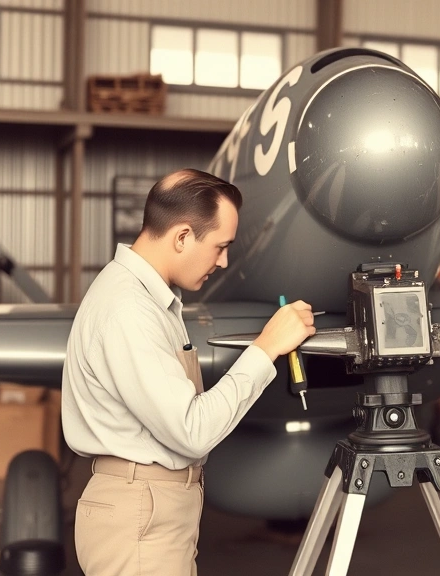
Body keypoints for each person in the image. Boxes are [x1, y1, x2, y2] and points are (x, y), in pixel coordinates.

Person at [62, 168, 315, 576]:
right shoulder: (130, 310)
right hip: (140, 518)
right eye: (220, 246)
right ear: (182, 236)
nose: (224, 261)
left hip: (151, 512)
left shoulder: (147, 299)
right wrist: (266, 348)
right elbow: (191, 430)